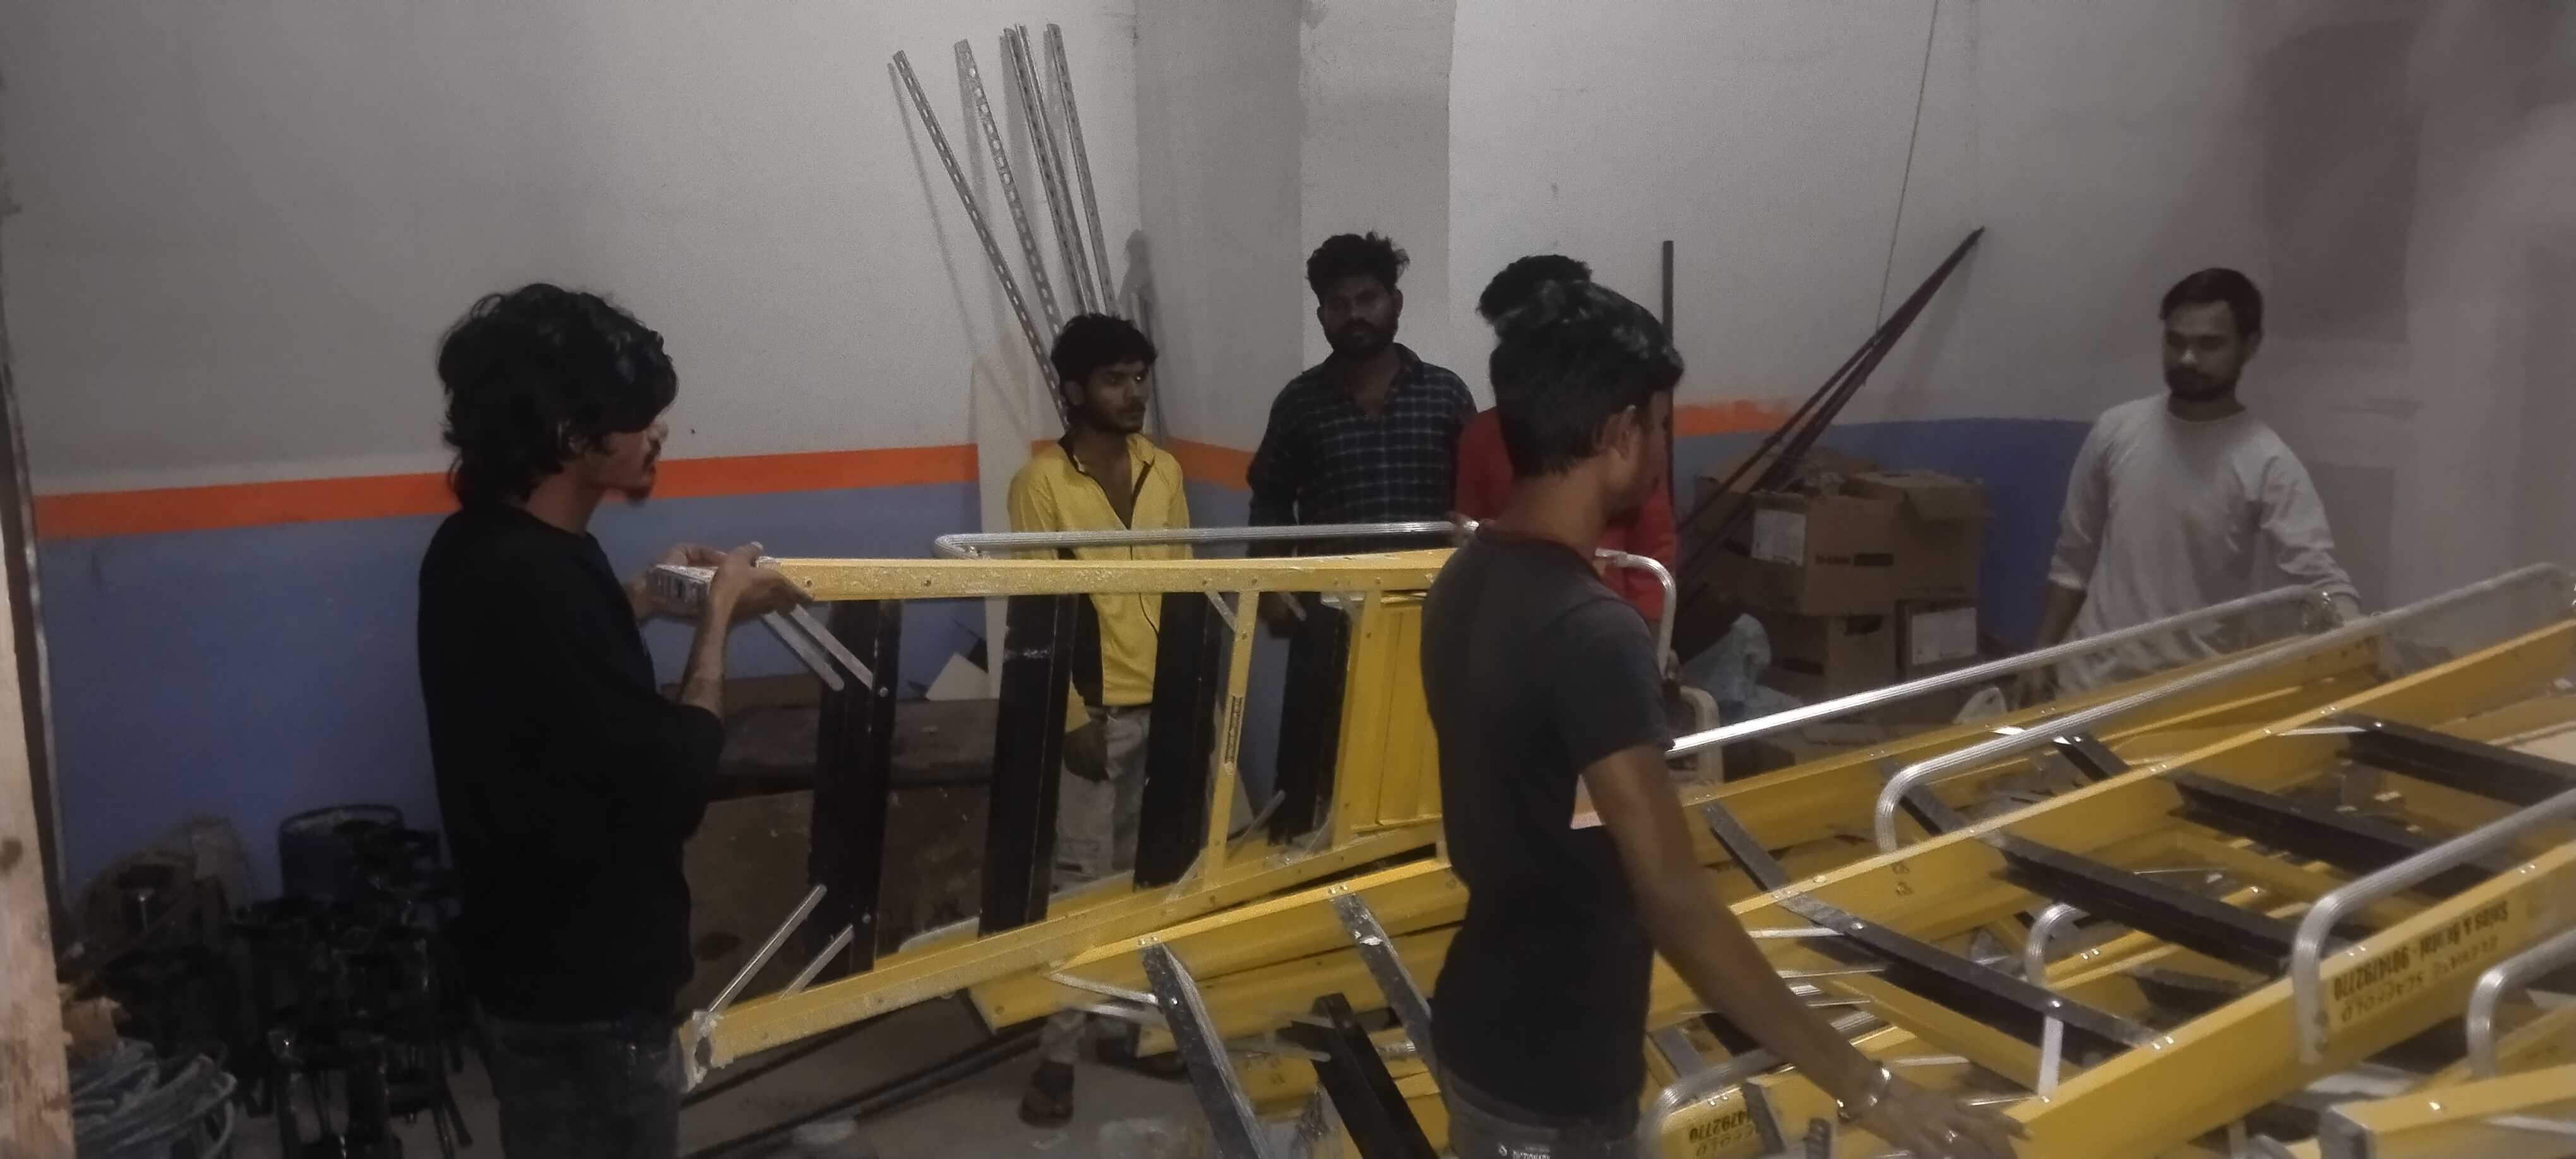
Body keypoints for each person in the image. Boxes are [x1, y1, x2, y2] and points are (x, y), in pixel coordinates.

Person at [1421, 280, 2021, 1159]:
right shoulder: (1591, 631)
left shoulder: (1462, 581)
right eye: (1661, 426)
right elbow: (1676, 900)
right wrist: (1869, 1087)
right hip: (1554, 1079)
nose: (1663, 449)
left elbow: (1544, 793)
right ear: (1620, 433)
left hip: (1483, 1018)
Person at [417, 285, 806, 1158]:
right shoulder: (543, 577)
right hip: (590, 997)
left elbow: (541, 674)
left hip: (522, 964)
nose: (656, 433)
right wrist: (716, 619)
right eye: (635, 417)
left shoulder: (476, 548)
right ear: (571, 436)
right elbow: (677, 780)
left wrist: (642, 597)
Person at [1004, 314, 1191, 1126]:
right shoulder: (1041, 483)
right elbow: (1038, 606)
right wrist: (1071, 715)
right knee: (1082, 889)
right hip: (1095, 712)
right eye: (1116, 379)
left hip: (1165, 702)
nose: (1133, 393)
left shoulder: (1163, 470)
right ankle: (1056, 1061)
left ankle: (1129, 1029)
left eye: (1140, 377)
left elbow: (1183, 581)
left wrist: (1191, 691)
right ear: (1076, 391)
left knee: (1149, 877)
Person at [2027, 268, 2360, 698]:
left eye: (2209, 345)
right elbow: (2074, 559)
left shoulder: (2268, 461)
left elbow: (2318, 575)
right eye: (2175, 341)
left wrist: (2357, 636)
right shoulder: (2115, 430)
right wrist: (2040, 656)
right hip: (2086, 686)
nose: (2187, 359)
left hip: (2190, 694)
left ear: (2250, 345)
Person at [1246, 232, 1476, 631]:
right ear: (1322, 316)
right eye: (1339, 304)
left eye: (1368, 299)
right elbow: (1271, 500)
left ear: (1396, 303)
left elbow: (1475, 498)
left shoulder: (1445, 393)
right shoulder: (1299, 403)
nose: (1354, 314)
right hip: (1330, 615)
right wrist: (1271, 586)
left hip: (1435, 610)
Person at [1452, 254, 1678, 619]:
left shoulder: (1634, 433)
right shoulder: (1480, 435)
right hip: (1513, 613)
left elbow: (1655, 545)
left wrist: (1647, 628)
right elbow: (1469, 532)